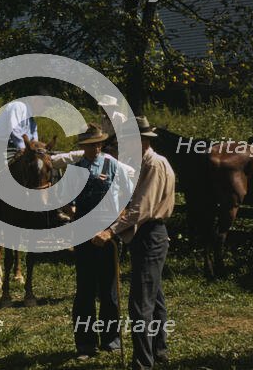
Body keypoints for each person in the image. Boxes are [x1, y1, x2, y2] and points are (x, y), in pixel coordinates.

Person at [93, 116, 175, 370]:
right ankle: (158, 350)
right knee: (154, 297)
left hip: (150, 235)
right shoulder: (141, 164)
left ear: (142, 141)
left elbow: (142, 209)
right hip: (144, 236)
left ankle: (142, 363)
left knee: (140, 304)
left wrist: (111, 231)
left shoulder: (154, 165)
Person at [65, 123, 132, 360]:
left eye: (95, 144)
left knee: (109, 290)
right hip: (84, 236)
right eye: (87, 146)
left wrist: (117, 225)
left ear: (101, 144)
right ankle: (85, 344)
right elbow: (66, 201)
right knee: (84, 291)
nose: (92, 149)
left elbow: (127, 195)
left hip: (107, 236)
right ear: (82, 147)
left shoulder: (113, 165)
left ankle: (111, 338)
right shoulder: (75, 170)